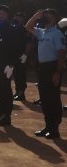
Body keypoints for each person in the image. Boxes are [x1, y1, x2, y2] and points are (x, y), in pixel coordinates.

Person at [26, 9, 66, 139]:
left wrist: (58, 72)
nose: (45, 16)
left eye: (48, 14)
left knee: (53, 98)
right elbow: (28, 27)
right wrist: (35, 16)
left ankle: (54, 129)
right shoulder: (42, 32)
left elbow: (61, 53)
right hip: (43, 68)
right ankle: (48, 126)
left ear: (54, 18)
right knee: (44, 98)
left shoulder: (57, 34)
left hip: (53, 67)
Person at [12, 12, 32, 101]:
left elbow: (28, 43)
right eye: (16, 16)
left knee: (21, 74)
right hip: (15, 55)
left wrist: (25, 55)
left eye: (19, 17)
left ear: (22, 19)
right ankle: (17, 91)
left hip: (22, 55)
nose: (17, 18)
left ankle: (21, 92)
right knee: (16, 74)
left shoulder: (25, 29)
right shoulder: (13, 28)